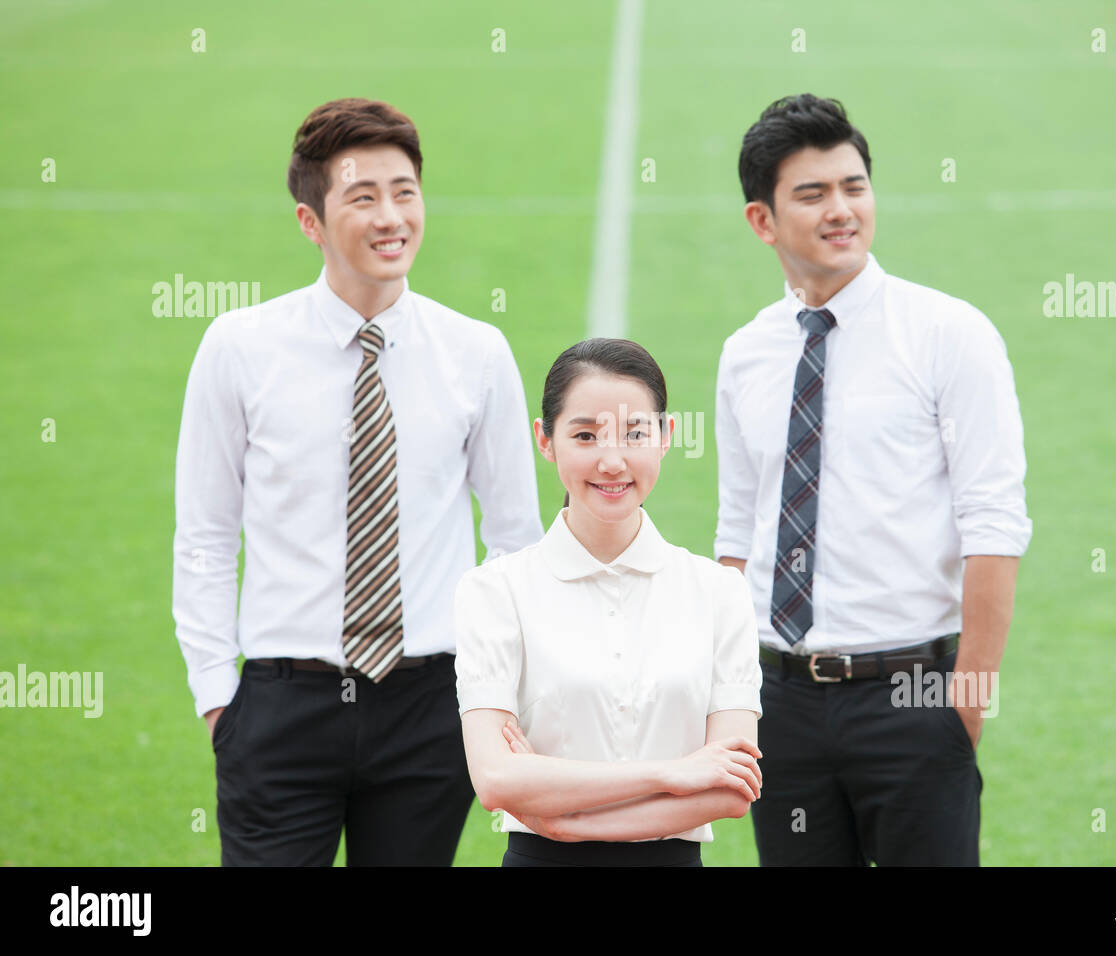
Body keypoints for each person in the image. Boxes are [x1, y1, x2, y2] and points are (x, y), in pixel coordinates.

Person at [171, 97, 543, 865]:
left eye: (405, 192)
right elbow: (206, 534)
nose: (391, 216)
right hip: (282, 707)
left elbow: (513, 541)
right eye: (363, 197)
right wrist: (217, 697)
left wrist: (495, 696)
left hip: (429, 708)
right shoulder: (239, 348)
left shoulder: (476, 352)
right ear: (311, 222)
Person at [715, 93, 1032, 866]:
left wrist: (967, 701)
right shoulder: (746, 353)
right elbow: (735, 532)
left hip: (914, 699)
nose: (842, 209)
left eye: (854, 186)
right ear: (763, 220)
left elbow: (994, 521)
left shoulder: (948, 333)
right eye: (813, 193)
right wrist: (730, 688)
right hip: (779, 700)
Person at [453, 338, 764, 867]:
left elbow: (729, 791)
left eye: (634, 433)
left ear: (666, 437)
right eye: (586, 435)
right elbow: (497, 778)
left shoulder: (720, 592)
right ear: (545, 440)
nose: (613, 460)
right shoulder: (493, 591)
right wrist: (668, 773)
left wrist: (562, 821)